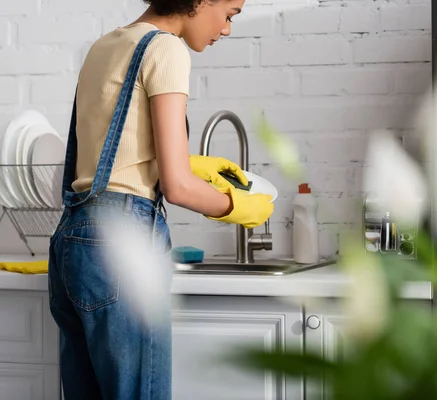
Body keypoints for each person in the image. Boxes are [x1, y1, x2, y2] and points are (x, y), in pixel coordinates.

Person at [47, 0, 273, 398]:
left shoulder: (104, 46)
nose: (227, 29)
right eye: (230, 13)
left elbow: (113, 156)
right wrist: (240, 207)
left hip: (71, 240)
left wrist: (191, 164)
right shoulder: (166, 48)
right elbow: (177, 186)